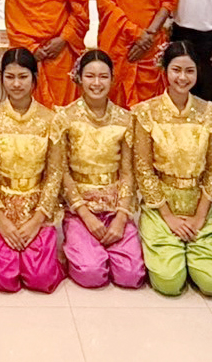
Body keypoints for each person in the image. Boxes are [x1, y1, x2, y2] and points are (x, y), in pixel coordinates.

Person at [132, 41, 212, 296]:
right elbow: (143, 169)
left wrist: (200, 215)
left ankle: (196, 248)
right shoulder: (146, 113)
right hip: (160, 204)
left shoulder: (210, 113)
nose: (182, 78)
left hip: (198, 203)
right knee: (169, 282)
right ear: (165, 71)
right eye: (176, 70)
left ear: (197, 72)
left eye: (189, 71)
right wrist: (168, 216)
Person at [53, 50, 145, 289]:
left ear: (112, 79)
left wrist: (121, 217)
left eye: (103, 76)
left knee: (131, 276)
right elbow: (61, 172)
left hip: (115, 207)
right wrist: (85, 214)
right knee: (91, 273)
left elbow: (128, 173)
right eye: (90, 76)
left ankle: (103, 247)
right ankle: (77, 247)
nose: (96, 83)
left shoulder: (126, 119)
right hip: (79, 209)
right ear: (79, 78)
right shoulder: (64, 117)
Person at [0, 47, 65, 293]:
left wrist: (38, 219)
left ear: (34, 79)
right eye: (10, 77)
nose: (16, 84)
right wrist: (0, 218)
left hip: (36, 205)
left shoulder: (51, 120)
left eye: (23, 77)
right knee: (1, 278)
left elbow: (55, 173)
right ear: (1, 78)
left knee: (41, 278)